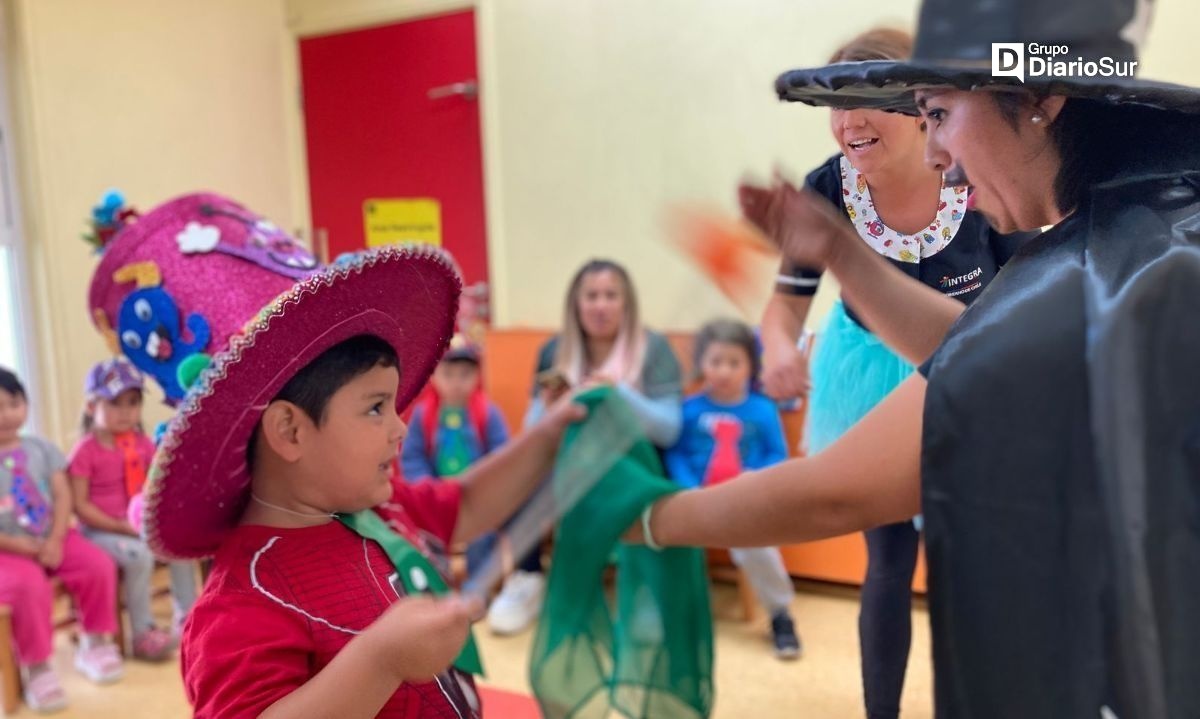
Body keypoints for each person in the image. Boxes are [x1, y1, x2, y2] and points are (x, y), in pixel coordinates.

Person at [631, 0, 1200, 715]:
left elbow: (837, 489)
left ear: (1038, 101)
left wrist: (645, 514)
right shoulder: (1155, 227)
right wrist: (838, 251)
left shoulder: (1075, 283)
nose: (937, 153)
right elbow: (985, 348)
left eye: (937, 113)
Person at [127, 240, 586, 718]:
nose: (400, 428)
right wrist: (381, 661)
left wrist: (549, 435)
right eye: (374, 408)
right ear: (290, 430)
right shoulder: (242, 600)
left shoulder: (377, 508)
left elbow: (465, 506)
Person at [755, 27, 1035, 717]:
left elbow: (1029, 288)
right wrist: (779, 350)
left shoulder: (975, 175)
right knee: (887, 561)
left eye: (866, 100)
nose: (847, 121)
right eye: (834, 104)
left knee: (969, 565)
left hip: (968, 373)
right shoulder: (828, 189)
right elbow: (784, 307)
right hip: (869, 385)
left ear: (922, 108)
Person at [487, 258, 683, 635]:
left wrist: (616, 393)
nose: (600, 305)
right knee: (515, 470)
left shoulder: (654, 348)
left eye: (611, 296)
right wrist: (549, 410)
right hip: (570, 462)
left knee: (654, 479)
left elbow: (669, 430)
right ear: (576, 304)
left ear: (627, 304)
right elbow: (531, 431)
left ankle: (644, 587)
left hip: (630, 466)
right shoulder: (553, 352)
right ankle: (527, 579)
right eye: (591, 296)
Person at [665, 318, 799, 659]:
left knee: (758, 549)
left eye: (734, 362)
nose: (723, 371)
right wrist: (688, 487)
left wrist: (753, 480)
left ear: (750, 366)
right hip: (695, 500)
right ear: (701, 364)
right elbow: (676, 453)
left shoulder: (762, 409)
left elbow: (777, 454)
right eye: (715, 362)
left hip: (744, 503)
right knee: (669, 544)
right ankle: (677, 616)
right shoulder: (689, 408)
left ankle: (780, 615)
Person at [0, 367, 123, 712]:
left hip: (54, 535)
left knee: (98, 564)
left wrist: (55, 538)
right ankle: (36, 667)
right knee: (28, 588)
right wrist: (19, 546)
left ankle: (95, 642)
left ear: (25, 404)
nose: (6, 415)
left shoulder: (42, 448)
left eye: (12, 403)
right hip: (7, 550)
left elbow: (63, 495)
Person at [68, 357, 198, 661]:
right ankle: (143, 631)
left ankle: (187, 615)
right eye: (115, 403)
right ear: (91, 407)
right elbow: (81, 507)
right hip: (99, 531)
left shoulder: (142, 444)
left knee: (175, 544)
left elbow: (156, 484)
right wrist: (122, 527)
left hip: (136, 525)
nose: (126, 412)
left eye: (133, 402)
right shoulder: (86, 451)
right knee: (138, 555)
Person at [401, 337, 510, 580]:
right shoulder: (424, 415)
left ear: (476, 377)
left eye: (464, 375)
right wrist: (427, 487)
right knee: (425, 536)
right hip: (438, 496)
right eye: (448, 374)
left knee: (482, 535)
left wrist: (483, 484)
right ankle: (436, 583)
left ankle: (479, 587)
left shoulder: (487, 412)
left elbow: (502, 454)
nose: (456, 383)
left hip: (478, 496)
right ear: (433, 376)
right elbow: (412, 457)